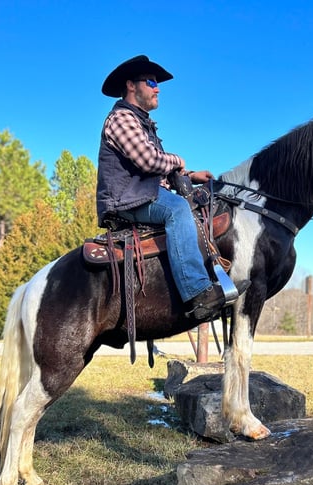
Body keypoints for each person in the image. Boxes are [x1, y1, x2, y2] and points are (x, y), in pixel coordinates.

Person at [96, 55, 245, 321]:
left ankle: (213, 276)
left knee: (199, 207)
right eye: (151, 82)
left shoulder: (142, 123)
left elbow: (156, 172)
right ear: (131, 85)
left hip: (142, 194)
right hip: (125, 200)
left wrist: (189, 175)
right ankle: (196, 293)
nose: (157, 88)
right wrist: (179, 160)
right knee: (176, 209)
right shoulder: (121, 119)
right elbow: (149, 160)